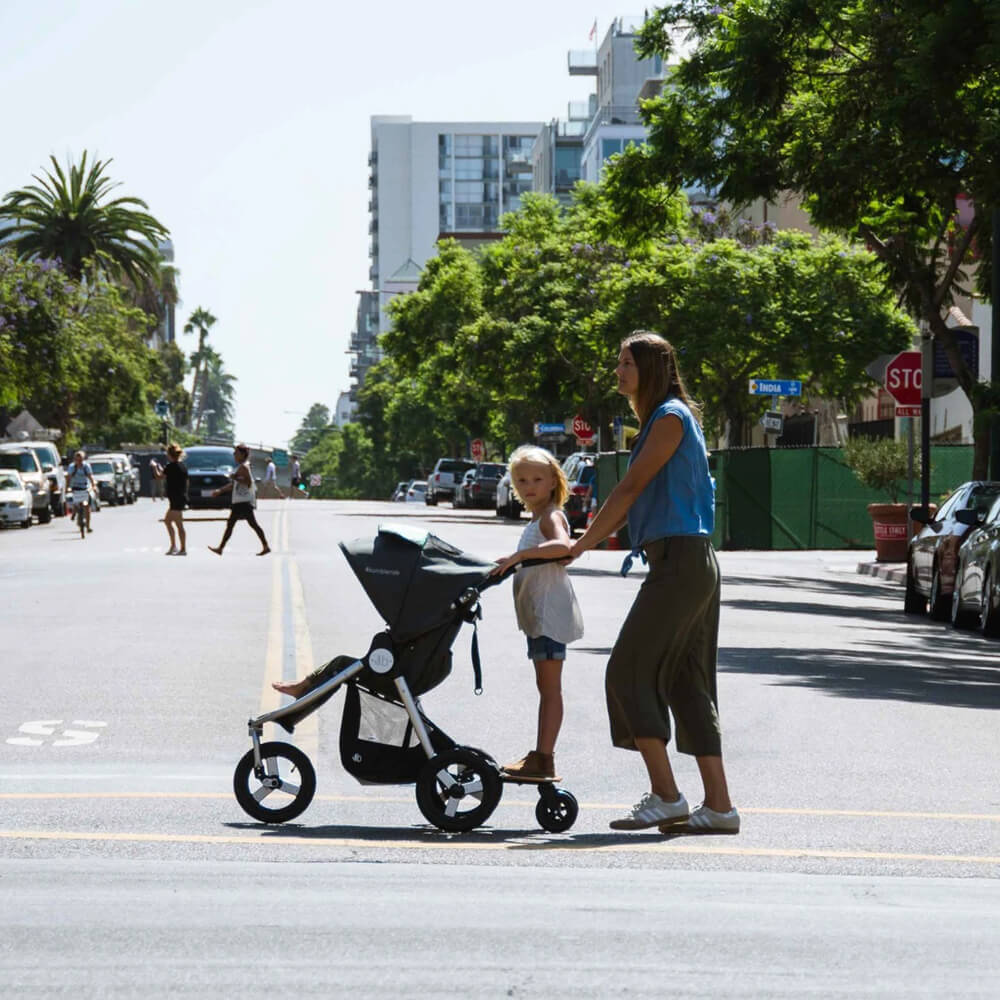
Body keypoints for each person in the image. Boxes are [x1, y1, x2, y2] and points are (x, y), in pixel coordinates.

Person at [569, 331, 738, 835]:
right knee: (687, 683)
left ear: (653, 368)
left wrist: (581, 544)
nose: (618, 371)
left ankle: (667, 795)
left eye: (627, 363)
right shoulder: (661, 420)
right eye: (618, 362)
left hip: (683, 563)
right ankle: (720, 808)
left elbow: (629, 488)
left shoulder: (669, 418)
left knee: (626, 671)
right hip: (684, 562)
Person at [490, 445, 583, 782]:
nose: (530, 486)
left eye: (537, 479)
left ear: (553, 482)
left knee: (550, 689)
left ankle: (544, 758)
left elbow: (564, 546)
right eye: (522, 480)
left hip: (548, 615)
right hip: (537, 615)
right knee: (545, 688)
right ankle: (541, 755)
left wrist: (517, 558)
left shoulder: (551, 516)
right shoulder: (535, 518)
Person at [208, 443, 271, 556]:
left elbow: (247, 482)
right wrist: (220, 491)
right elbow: (234, 484)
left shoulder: (244, 467)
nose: (234, 455)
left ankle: (221, 548)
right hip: (241, 500)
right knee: (246, 524)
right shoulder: (242, 466)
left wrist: (235, 477)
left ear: (242, 454)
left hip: (243, 501)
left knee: (237, 524)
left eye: (236, 453)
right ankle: (265, 546)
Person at [155, 443, 188, 555]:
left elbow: (159, 476)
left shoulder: (171, 467)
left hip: (176, 498)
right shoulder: (182, 466)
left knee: (178, 524)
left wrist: (154, 466)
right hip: (179, 497)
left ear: (170, 455)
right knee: (168, 521)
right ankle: (174, 545)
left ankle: (182, 548)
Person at [66, 451, 97, 532]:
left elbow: (90, 477)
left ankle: (88, 526)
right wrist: (67, 488)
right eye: (77, 460)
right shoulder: (72, 467)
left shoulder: (86, 466)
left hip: (84, 487)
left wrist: (93, 486)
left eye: (81, 460)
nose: (79, 462)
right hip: (75, 488)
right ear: (75, 460)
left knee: (87, 507)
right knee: (76, 503)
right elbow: (68, 478)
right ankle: (74, 512)